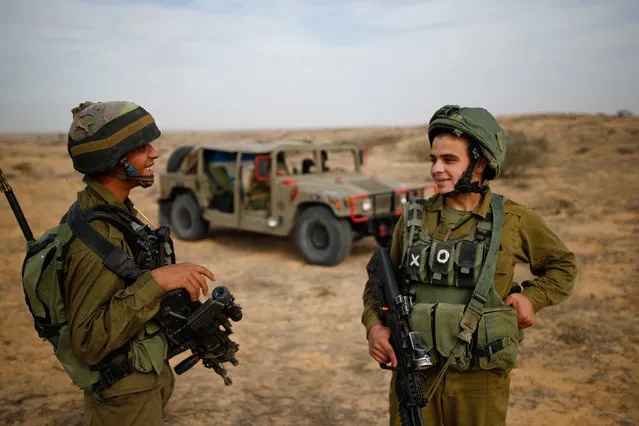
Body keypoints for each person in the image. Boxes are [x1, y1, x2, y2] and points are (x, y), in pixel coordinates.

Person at [361, 104, 577, 426]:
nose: (436, 169)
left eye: (449, 160)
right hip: (415, 373)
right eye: (433, 159)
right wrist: (374, 327)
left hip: (480, 380)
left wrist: (532, 298)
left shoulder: (514, 220)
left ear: (480, 163)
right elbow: (379, 285)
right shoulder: (413, 219)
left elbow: (562, 265)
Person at [64, 101, 215, 425]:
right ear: (114, 159)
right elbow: (88, 343)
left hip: (141, 384)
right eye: (142, 147)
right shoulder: (96, 238)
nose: (154, 154)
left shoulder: (119, 216)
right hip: (123, 401)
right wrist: (156, 282)